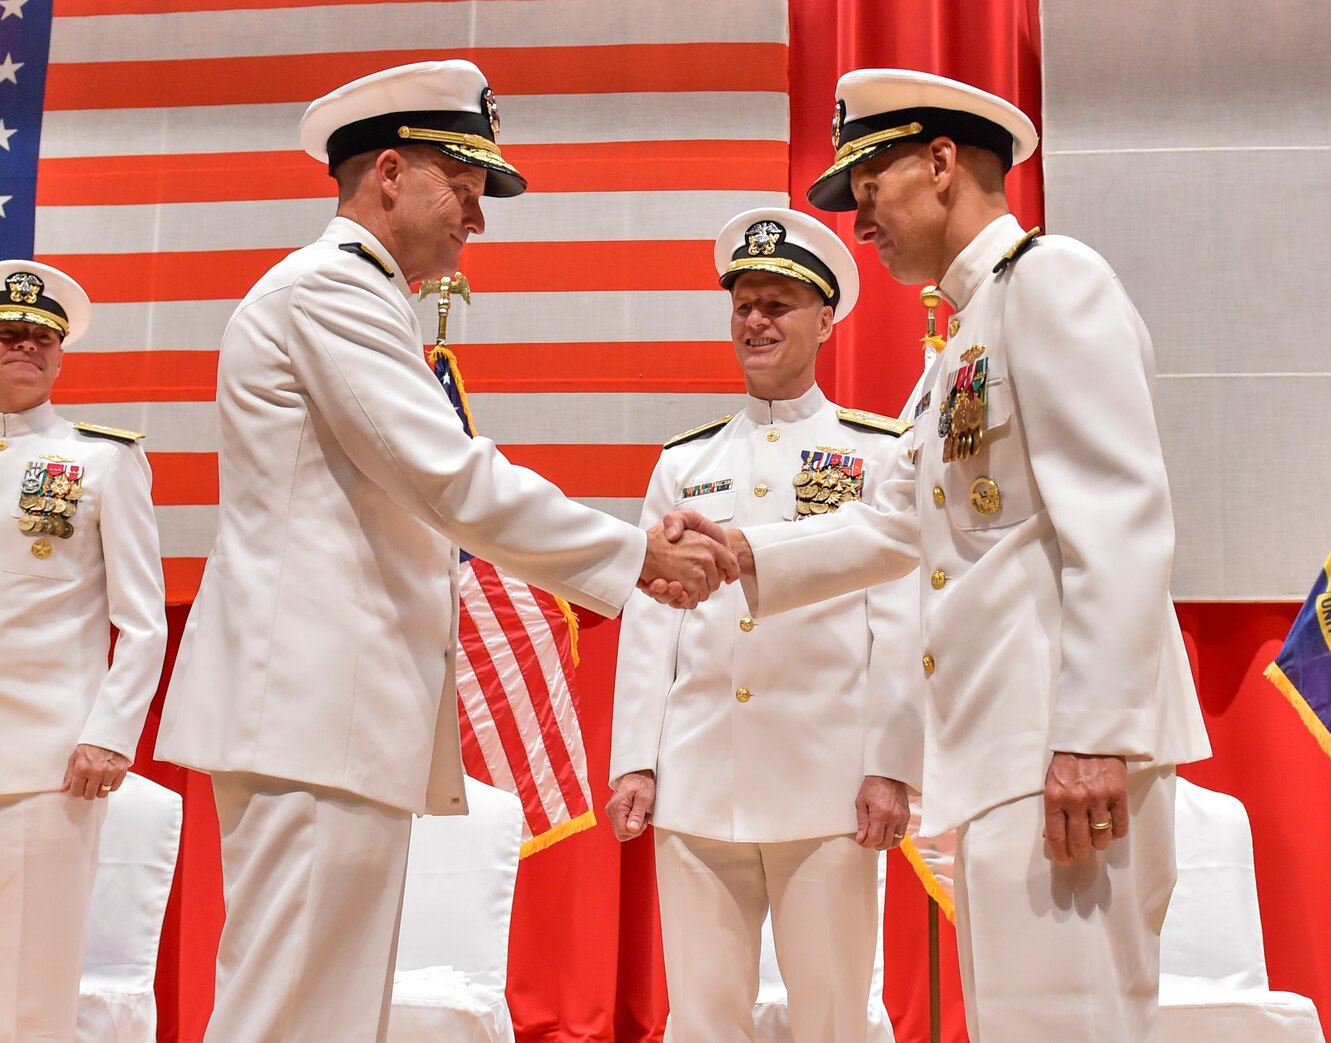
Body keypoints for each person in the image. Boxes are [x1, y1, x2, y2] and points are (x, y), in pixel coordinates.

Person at [154, 60, 736, 1043]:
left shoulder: (363, 299)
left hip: (328, 718)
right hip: (309, 713)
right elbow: (449, 477)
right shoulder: (329, 293)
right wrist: (633, 552)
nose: (478, 220)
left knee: (325, 1013)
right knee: (290, 1013)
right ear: (388, 173)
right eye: (461, 191)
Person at [659, 69, 1212, 1040]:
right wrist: (745, 549)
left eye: (866, 181)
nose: (857, 214)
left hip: (1062, 747)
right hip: (1005, 752)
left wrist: (1092, 733)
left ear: (942, 162)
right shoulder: (957, 345)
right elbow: (891, 527)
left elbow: (1120, 513)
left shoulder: (1051, 278)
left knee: (1070, 1023)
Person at [606, 209, 920, 1042]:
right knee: (702, 1018)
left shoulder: (879, 455)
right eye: (743, 303)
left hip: (828, 784)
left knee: (832, 1017)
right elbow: (651, 619)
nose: (755, 320)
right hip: (701, 775)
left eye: (778, 303)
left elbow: (899, 619)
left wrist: (891, 764)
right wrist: (636, 756)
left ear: (826, 319)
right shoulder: (686, 462)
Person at [0, 261, 167, 1041]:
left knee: (33, 979)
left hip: (45, 758)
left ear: (60, 356)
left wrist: (110, 731)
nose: (25, 347)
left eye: (41, 338)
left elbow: (143, 621)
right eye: (8, 334)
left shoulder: (101, 460)